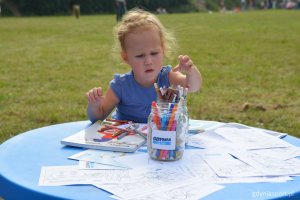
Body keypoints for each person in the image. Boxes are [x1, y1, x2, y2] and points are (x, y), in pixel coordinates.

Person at [86, 9, 202, 123]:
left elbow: (192, 86)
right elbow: (98, 117)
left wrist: (191, 71)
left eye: (154, 53)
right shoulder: (120, 86)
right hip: (127, 139)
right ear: (126, 58)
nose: (148, 61)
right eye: (140, 55)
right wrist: (95, 106)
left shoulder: (168, 77)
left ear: (163, 50)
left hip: (161, 138)